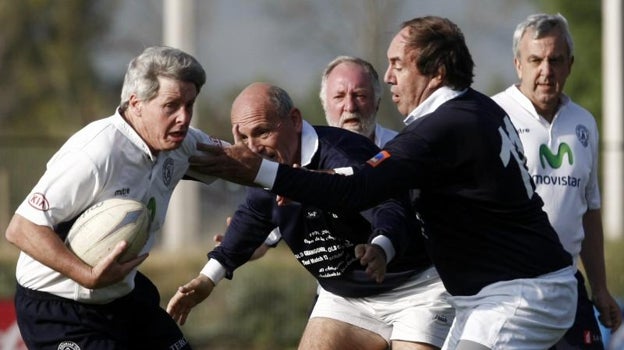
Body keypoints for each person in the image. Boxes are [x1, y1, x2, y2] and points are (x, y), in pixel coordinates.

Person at [189, 16, 579, 349]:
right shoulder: (477, 107)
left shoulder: (440, 129)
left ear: (437, 71)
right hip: (495, 293)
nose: (388, 76)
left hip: (519, 293)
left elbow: (358, 189)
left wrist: (258, 171)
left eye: (398, 64)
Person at [167, 82, 454, 350]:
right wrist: (206, 280)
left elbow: (390, 206)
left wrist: (381, 247)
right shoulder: (264, 166)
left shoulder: (343, 152)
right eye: (242, 137)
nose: (252, 148)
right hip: (345, 298)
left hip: (417, 290)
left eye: (262, 131)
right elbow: (250, 219)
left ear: (294, 120)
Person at [4, 46, 227, 350]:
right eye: (171, 105)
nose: (184, 118)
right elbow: (22, 227)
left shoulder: (181, 143)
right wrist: (88, 275)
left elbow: (243, 164)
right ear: (136, 104)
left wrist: (290, 174)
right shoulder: (96, 153)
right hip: (59, 307)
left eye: (190, 105)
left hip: (122, 297)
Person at [491, 13, 622, 348]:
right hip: (510, 287)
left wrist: (601, 288)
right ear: (518, 64)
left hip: (567, 283)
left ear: (570, 65)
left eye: (555, 60)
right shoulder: (491, 117)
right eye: (536, 60)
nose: (546, 71)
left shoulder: (584, 123)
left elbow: (589, 210)